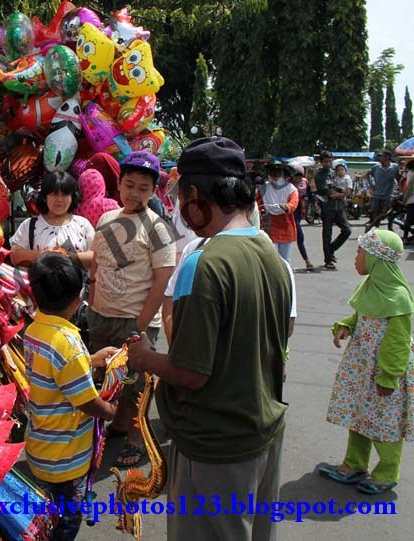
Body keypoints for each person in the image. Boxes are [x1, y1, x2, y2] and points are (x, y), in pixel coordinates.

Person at [127, 137, 292, 541]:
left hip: (216, 445)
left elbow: (190, 372)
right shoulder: (269, 252)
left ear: (195, 195)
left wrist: (143, 356)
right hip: (263, 429)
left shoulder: (204, 262)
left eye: (180, 196)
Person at [87, 150, 175, 468]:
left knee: (136, 383)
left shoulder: (158, 228)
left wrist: (140, 322)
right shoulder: (107, 218)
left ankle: (137, 440)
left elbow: (162, 280)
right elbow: (97, 262)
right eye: (129, 185)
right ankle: (120, 425)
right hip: (101, 315)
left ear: (153, 192)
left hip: (133, 319)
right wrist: (93, 296)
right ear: (119, 185)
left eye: (143, 187)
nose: (134, 193)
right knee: (108, 378)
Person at [24, 252, 117, 541]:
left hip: (40, 448)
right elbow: (87, 402)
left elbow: (57, 372)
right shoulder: (68, 344)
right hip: (65, 459)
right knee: (65, 522)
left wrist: (92, 360)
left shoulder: (35, 329)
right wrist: (112, 410)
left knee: (45, 517)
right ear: (78, 299)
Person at [318, 229, 414, 495]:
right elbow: (361, 315)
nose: (356, 258)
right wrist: (346, 326)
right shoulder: (370, 287)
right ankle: (354, 464)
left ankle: (386, 472)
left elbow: (398, 343)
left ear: (376, 259)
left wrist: (389, 376)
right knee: (359, 415)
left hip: (384, 373)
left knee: (385, 423)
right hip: (362, 369)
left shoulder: (398, 297)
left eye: (361, 253)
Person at [10, 170, 94, 269]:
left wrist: (69, 257)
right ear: (45, 197)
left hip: (79, 284)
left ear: (72, 197)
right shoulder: (30, 225)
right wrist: (45, 255)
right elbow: (14, 256)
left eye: (65, 194)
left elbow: (97, 256)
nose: (59, 199)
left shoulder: (83, 224)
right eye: (54, 194)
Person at [315, 150, 351, 270]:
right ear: (321, 162)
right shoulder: (320, 175)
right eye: (326, 161)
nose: (328, 163)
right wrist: (341, 194)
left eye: (330, 161)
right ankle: (328, 259)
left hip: (339, 207)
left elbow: (340, 186)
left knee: (347, 230)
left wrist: (343, 193)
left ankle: (331, 249)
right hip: (327, 207)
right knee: (327, 234)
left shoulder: (334, 172)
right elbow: (327, 192)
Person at [257, 160, 298, 262]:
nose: (275, 174)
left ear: (282, 173)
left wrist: (286, 207)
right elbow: (256, 204)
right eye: (272, 172)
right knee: (271, 260)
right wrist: (259, 211)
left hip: (286, 225)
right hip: (270, 226)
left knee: (285, 261)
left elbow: (294, 203)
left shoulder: (291, 188)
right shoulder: (263, 188)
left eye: (277, 172)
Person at [289, 165, 315, 271]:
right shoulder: (288, 184)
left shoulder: (305, 182)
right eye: (296, 176)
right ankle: (307, 261)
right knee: (298, 235)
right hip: (290, 210)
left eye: (300, 175)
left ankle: (307, 261)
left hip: (301, 209)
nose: (298, 178)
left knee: (299, 237)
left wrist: (314, 203)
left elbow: (310, 193)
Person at [365, 149, 400, 222]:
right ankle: (374, 227)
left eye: (381, 156)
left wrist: (399, 187)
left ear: (387, 157)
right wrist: (371, 185)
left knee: (384, 213)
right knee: (375, 213)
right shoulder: (376, 167)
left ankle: (372, 225)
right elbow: (367, 174)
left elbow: (399, 178)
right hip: (376, 195)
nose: (380, 158)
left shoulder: (394, 167)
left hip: (388, 195)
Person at [401, 161, 414, 245]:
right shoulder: (412, 173)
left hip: (410, 199)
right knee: (409, 219)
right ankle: (405, 238)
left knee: (409, 219)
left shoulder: (409, 172)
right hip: (412, 199)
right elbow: (410, 187)